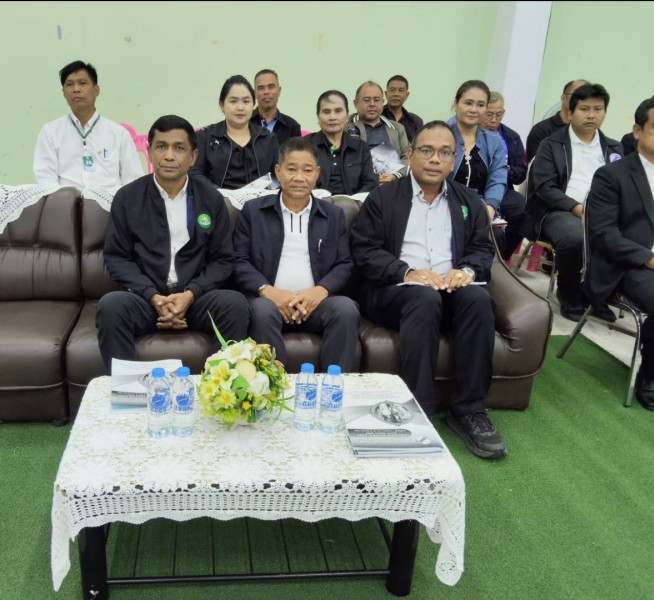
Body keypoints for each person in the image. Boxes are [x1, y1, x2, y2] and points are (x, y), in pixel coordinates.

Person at [350, 120, 505, 460]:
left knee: (479, 299)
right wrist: (408, 272)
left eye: (445, 153)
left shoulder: (468, 200)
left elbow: (482, 249)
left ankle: (468, 410)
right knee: (423, 297)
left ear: (454, 159)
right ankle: (418, 409)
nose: (435, 159)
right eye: (427, 150)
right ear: (410, 155)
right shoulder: (383, 197)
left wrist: (466, 271)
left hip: (450, 289)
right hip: (397, 290)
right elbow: (364, 250)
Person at [96, 115, 250, 374]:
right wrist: (153, 296)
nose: (169, 156)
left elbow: (223, 260)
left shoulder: (210, 198)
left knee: (234, 304)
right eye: (161, 146)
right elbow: (117, 258)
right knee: (111, 306)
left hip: (195, 299)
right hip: (146, 300)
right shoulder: (127, 198)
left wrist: (190, 295)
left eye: (179, 148)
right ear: (149, 152)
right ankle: (127, 389)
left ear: (193, 157)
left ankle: (216, 388)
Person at [233, 137, 359, 372]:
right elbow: (239, 261)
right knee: (261, 311)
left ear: (317, 173)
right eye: (291, 169)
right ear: (278, 171)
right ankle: (275, 387)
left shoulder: (333, 215)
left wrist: (319, 292)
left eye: (307, 170)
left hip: (316, 304)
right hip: (270, 302)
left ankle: (334, 387)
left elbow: (344, 263)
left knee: (345, 309)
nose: (299, 177)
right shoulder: (254, 211)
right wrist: (269, 292)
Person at [525, 83, 623, 322]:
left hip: (602, 213)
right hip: (558, 211)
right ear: (570, 112)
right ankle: (569, 294)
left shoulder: (614, 148)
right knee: (575, 237)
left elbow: (623, 187)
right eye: (584, 109)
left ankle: (597, 297)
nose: (591, 115)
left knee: (630, 234)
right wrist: (578, 209)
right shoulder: (551, 144)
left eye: (597, 109)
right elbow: (545, 188)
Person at [586, 97, 654, 410]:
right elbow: (605, 235)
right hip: (626, 265)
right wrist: (648, 258)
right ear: (637, 131)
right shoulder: (612, 175)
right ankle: (650, 374)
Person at [33, 59, 143, 193]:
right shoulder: (50, 132)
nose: (76, 89)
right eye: (70, 84)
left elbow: (133, 180)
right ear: (64, 93)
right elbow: (45, 179)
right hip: (66, 203)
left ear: (96, 90)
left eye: (82, 83)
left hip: (109, 203)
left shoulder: (119, 134)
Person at [446, 80, 523, 261]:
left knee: (495, 237)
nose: (474, 110)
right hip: (446, 200)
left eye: (480, 105)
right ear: (456, 104)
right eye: (468, 103)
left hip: (480, 202)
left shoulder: (493, 140)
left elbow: (498, 178)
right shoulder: (441, 134)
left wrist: (490, 207)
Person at [191, 75, 278, 189]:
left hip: (261, 199)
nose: (240, 107)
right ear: (222, 105)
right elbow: (195, 174)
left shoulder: (268, 138)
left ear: (253, 104)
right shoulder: (205, 137)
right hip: (217, 199)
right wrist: (219, 194)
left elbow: (278, 175)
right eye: (233, 101)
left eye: (246, 101)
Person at [479, 90, 528, 258]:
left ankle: (503, 253)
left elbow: (521, 172)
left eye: (499, 114)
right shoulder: (470, 134)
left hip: (502, 187)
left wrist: (502, 171)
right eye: (489, 114)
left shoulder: (512, 138)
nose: (494, 120)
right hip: (474, 187)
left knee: (524, 210)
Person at [307, 90, 377, 195]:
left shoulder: (361, 148)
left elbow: (370, 183)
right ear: (318, 116)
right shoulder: (305, 146)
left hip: (355, 203)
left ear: (347, 114)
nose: (332, 117)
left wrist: (354, 201)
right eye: (326, 112)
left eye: (338, 111)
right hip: (316, 203)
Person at [348, 81, 410, 184]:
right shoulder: (345, 127)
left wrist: (394, 175)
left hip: (392, 184)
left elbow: (408, 157)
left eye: (377, 100)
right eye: (366, 100)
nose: (372, 104)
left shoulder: (397, 128)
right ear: (356, 103)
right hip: (359, 185)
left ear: (382, 102)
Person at [526, 79, 588, 164]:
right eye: (577, 96)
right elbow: (537, 166)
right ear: (563, 98)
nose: (581, 101)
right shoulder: (541, 130)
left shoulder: (590, 132)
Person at [250, 69, 302, 146]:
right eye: (261, 88)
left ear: (279, 91)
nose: (266, 92)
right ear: (255, 93)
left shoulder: (292, 126)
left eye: (271, 87)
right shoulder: (246, 122)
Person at [382, 75, 424, 143]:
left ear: (407, 95)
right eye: (392, 90)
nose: (396, 94)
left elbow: (419, 145)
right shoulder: (376, 117)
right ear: (386, 94)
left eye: (400, 90)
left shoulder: (416, 121)